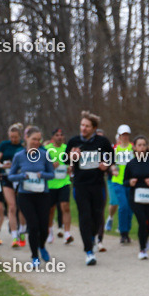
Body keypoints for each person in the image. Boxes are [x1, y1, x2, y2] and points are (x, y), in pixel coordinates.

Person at [66, 110, 114, 266]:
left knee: (97, 216)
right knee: (84, 216)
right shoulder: (73, 142)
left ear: (94, 128)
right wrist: (72, 158)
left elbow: (112, 157)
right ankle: (88, 251)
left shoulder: (102, 142)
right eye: (82, 125)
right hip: (80, 185)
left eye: (87, 126)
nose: (83, 128)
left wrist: (105, 165)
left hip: (97, 184)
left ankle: (92, 237)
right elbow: (65, 158)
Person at [8, 126, 55, 268]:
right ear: (26, 138)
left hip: (42, 195)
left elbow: (51, 174)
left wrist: (43, 175)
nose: (36, 142)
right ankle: (34, 256)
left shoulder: (44, 154)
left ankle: (42, 246)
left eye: (39, 140)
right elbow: (11, 175)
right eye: (34, 139)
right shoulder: (19, 156)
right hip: (25, 195)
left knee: (44, 227)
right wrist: (22, 176)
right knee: (33, 226)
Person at [122, 135, 149, 259]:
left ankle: (145, 239)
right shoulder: (130, 164)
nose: (141, 147)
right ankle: (142, 250)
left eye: (144, 145)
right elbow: (124, 181)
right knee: (142, 223)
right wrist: (130, 182)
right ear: (134, 147)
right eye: (139, 145)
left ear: (146, 147)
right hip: (136, 198)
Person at [0, 124, 27, 247]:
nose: (13, 139)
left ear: (20, 136)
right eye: (11, 137)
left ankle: (22, 233)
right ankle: (14, 237)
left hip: (20, 178)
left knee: (21, 207)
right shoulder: (4, 145)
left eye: (16, 137)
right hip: (6, 177)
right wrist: (2, 165)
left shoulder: (24, 145)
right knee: (12, 207)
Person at [45, 127, 73, 245]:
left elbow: (73, 162)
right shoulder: (47, 149)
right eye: (57, 135)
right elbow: (42, 164)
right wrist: (51, 165)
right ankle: (50, 231)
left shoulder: (67, 149)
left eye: (61, 135)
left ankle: (67, 234)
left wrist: (71, 167)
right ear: (52, 138)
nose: (59, 137)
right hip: (51, 184)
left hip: (64, 182)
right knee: (50, 210)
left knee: (65, 206)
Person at [108, 125, 134, 244]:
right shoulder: (115, 150)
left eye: (127, 134)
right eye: (123, 135)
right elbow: (111, 163)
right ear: (119, 136)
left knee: (130, 208)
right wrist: (113, 169)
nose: (125, 137)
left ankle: (127, 231)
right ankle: (123, 233)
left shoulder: (133, 148)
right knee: (123, 206)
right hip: (118, 182)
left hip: (131, 182)